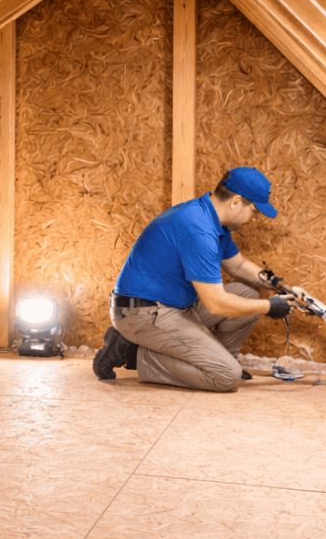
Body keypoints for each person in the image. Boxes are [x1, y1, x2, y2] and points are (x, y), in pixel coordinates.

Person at [92, 166, 309, 391]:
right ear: (236, 201)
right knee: (227, 377)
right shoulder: (198, 230)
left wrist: (283, 287)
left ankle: (219, 359)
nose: (254, 219)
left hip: (174, 307)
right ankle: (132, 352)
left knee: (247, 294)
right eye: (254, 211)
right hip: (142, 314)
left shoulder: (212, 221)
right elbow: (216, 303)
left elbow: (239, 266)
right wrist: (269, 306)